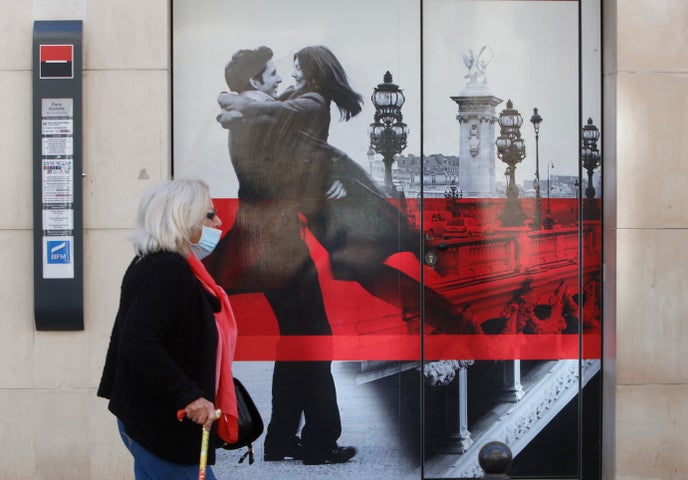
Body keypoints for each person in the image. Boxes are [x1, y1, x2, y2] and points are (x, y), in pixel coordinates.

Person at [214, 45, 481, 335]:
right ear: (254, 82)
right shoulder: (291, 100)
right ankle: (450, 309)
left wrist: (233, 104)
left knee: (365, 272)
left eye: (296, 68)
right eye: (276, 72)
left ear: (312, 73)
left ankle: (448, 302)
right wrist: (231, 104)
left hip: (332, 202)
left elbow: (272, 114)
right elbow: (274, 138)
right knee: (364, 275)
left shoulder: (312, 102)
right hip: (313, 211)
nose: (286, 76)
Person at [205, 46, 357, 466]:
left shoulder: (252, 119)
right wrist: (325, 185)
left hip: (265, 240)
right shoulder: (257, 123)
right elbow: (276, 180)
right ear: (255, 82)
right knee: (313, 338)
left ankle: (282, 441)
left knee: (296, 339)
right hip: (278, 246)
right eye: (272, 74)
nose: (279, 80)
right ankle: (319, 442)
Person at [98, 179, 238, 479]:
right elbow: (137, 339)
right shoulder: (168, 270)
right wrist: (188, 396)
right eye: (209, 215)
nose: (219, 221)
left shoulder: (153, 263)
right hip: (164, 425)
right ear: (182, 219)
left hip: (150, 420)